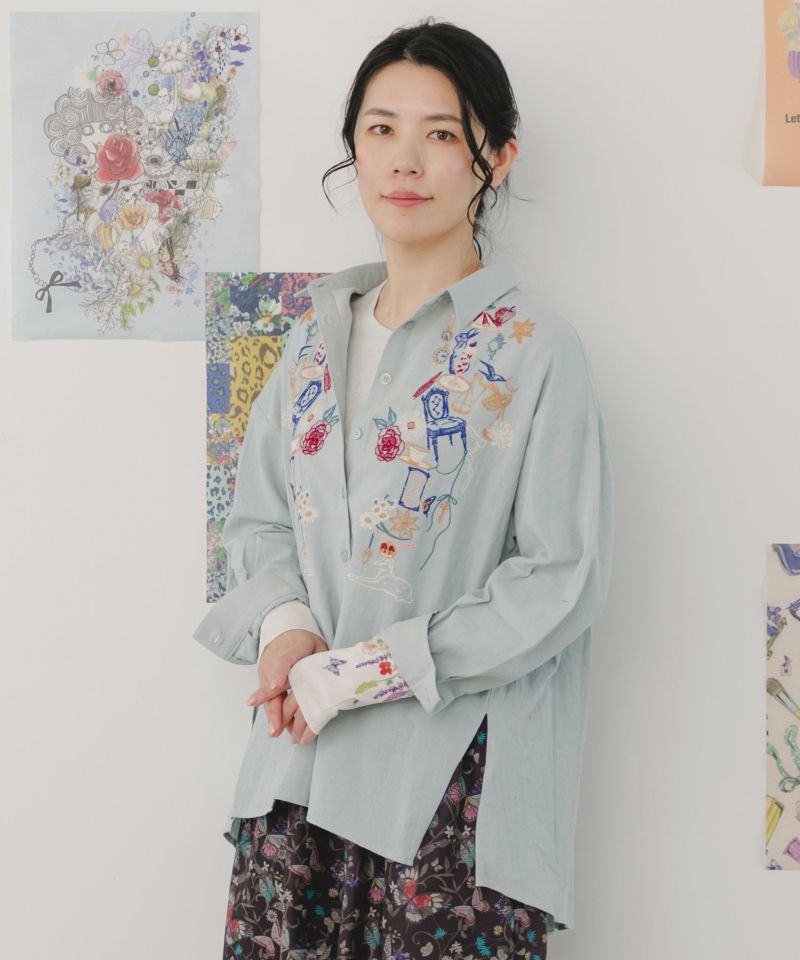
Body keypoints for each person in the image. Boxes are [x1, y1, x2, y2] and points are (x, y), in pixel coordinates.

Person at [194, 16, 614, 959]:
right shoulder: (309, 343)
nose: (405, 160)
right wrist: (287, 630)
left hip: (453, 796)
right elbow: (258, 521)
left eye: (441, 133)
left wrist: (358, 673)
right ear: (354, 147)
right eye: (381, 129)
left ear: (494, 159)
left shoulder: (539, 352)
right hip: (296, 779)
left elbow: (561, 578)